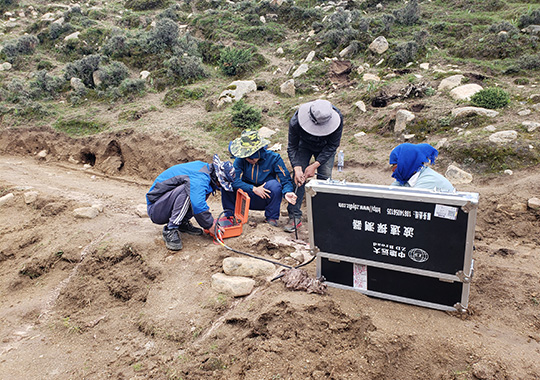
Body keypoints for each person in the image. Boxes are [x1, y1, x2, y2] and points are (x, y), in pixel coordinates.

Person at [146, 154, 235, 251]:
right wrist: (210, 225)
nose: (220, 187)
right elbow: (197, 204)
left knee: (200, 191)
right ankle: (170, 229)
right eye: (221, 184)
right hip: (155, 209)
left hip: (163, 204)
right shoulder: (199, 177)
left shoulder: (205, 170)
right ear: (218, 178)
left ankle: (182, 223)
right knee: (189, 190)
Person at [285, 99, 343, 232]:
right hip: (303, 146)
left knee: (325, 179)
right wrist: (297, 167)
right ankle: (294, 216)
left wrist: (315, 165)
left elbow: (333, 145)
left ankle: (324, 216)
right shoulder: (296, 121)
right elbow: (292, 146)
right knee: (298, 179)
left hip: (325, 148)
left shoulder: (337, 118)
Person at [223, 129, 297, 227]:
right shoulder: (241, 159)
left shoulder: (274, 158)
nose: (249, 160)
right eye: (247, 157)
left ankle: (271, 218)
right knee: (226, 184)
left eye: (252, 157)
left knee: (275, 185)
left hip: (265, 196)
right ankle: (231, 217)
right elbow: (233, 180)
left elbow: (285, 179)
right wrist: (253, 189)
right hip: (246, 196)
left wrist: (288, 191)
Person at [389, 143, 455, 192]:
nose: (393, 170)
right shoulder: (407, 177)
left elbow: (409, 203)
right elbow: (389, 193)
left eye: (394, 165)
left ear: (406, 164)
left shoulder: (428, 181)